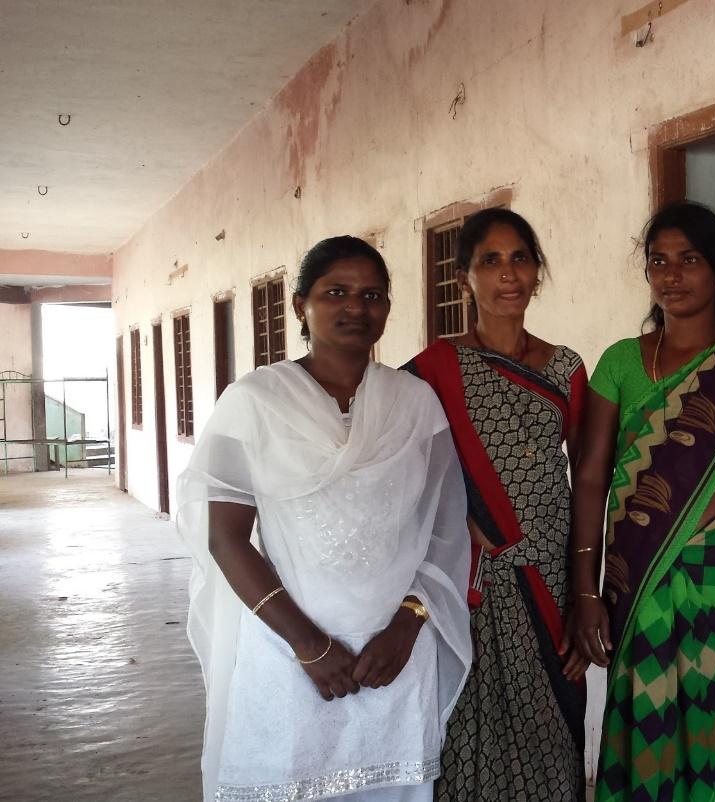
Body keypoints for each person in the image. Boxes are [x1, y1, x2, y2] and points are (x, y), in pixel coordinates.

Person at [177, 236, 472, 801]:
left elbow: (443, 529)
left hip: (393, 659)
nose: (356, 308)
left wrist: (410, 624)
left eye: (372, 295)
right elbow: (227, 539)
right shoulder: (257, 401)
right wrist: (308, 644)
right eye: (336, 292)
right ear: (300, 306)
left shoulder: (414, 403)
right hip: (286, 653)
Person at [568, 201, 715, 802]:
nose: (672, 274)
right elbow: (590, 477)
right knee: (647, 730)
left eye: (689, 259)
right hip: (639, 582)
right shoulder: (620, 362)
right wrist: (586, 593)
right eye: (659, 261)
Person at [402, 209, 589, 801]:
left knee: (552, 730)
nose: (509, 274)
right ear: (465, 279)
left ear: (537, 272)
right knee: (468, 733)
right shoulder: (434, 370)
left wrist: (588, 594)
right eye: (491, 260)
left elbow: (588, 483)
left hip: (550, 583)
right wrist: (457, 521)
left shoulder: (566, 368)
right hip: (467, 583)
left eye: (521, 259)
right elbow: (397, 469)